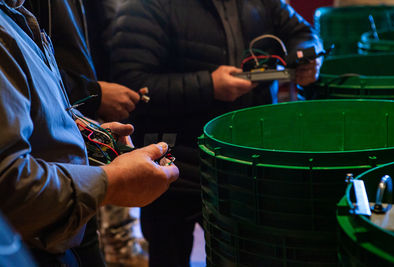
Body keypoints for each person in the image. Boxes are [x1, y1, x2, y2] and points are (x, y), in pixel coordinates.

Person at [109, 0, 323, 266]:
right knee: (169, 254)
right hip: (175, 167)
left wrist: (305, 57)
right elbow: (131, 88)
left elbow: (301, 32)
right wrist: (209, 85)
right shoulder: (147, 6)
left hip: (245, 164)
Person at [0, 0, 179, 266]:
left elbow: (36, 113)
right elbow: (12, 187)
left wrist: (83, 134)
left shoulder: (16, 14)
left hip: (64, 229)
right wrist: (113, 181)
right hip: (36, 248)